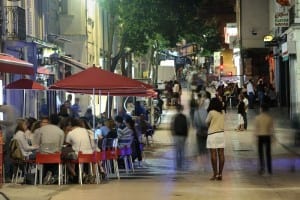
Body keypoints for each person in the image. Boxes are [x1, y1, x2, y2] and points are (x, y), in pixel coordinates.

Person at [206, 97, 225, 180]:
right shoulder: (223, 112)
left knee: (213, 154)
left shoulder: (211, 112)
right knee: (221, 154)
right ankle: (220, 174)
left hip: (212, 134)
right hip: (221, 134)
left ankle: (215, 173)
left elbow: (207, 122)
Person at [254, 103, 274, 175]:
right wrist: (273, 138)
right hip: (267, 136)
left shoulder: (257, 118)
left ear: (261, 109)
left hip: (260, 136)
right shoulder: (269, 118)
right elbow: (272, 129)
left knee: (261, 153)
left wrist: (255, 137)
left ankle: (262, 168)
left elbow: (256, 129)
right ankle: (269, 169)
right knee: (268, 154)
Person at [171, 104, 189, 170]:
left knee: (177, 150)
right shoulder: (184, 117)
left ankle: (177, 164)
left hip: (176, 135)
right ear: (182, 109)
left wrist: (173, 134)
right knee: (182, 150)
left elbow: (172, 126)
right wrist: (186, 135)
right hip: (183, 136)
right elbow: (186, 126)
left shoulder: (174, 117)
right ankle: (181, 164)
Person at [193, 97, 208, 169]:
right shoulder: (206, 112)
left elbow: (195, 123)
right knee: (205, 149)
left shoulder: (196, 112)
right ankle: (205, 165)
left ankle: (200, 165)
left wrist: (197, 128)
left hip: (199, 132)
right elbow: (208, 122)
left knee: (199, 148)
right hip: (206, 132)